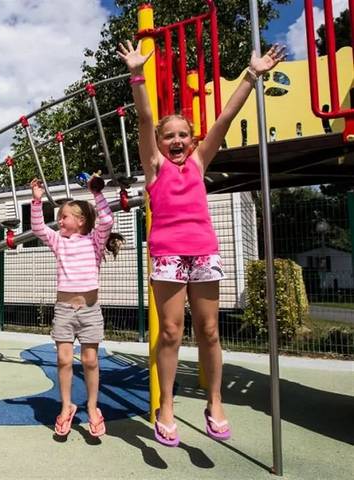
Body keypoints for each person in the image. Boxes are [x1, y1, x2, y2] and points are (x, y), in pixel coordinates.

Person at [118, 40, 286, 446]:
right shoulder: (155, 167)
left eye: (183, 135)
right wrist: (137, 75)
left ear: (192, 140)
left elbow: (225, 118)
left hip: (204, 253)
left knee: (209, 330)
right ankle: (166, 406)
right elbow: (144, 118)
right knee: (171, 331)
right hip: (168, 256)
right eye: (169, 136)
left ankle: (214, 401)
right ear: (159, 142)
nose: (176, 140)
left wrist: (252, 75)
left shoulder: (197, 162)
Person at [30, 175, 124, 438]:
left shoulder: (94, 241)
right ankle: (66, 406)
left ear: (81, 221)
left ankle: (93, 407)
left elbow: (107, 220)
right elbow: (38, 228)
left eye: (64, 217)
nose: (59, 221)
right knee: (63, 359)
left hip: (90, 310)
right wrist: (36, 201)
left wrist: (97, 193)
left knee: (90, 360)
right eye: (59, 218)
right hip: (64, 310)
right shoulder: (58, 241)